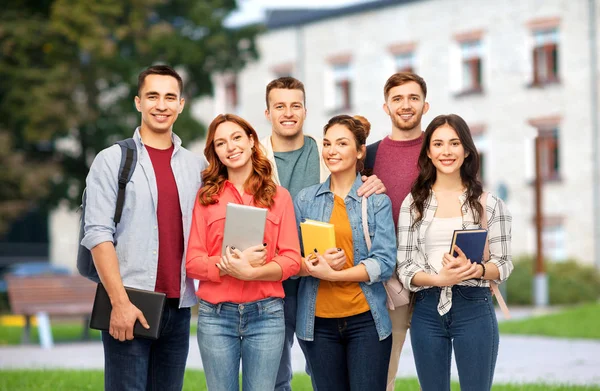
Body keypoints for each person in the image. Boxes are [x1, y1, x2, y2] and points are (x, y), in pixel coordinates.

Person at [81, 65, 206, 391]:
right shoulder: (111, 160)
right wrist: (120, 303)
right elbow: (97, 233)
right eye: (153, 96)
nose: (161, 105)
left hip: (178, 309)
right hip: (129, 302)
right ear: (138, 102)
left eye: (169, 97)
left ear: (181, 104)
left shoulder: (197, 167)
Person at [261, 76, 386, 391]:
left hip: (312, 288)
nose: (288, 113)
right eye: (280, 106)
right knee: (273, 379)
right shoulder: (253, 158)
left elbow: (350, 173)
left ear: (305, 111)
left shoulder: (324, 152)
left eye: (295, 106)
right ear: (268, 113)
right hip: (269, 281)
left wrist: (375, 181)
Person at [396, 114, 513, 391]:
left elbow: (504, 263)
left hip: (474, 306)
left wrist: (478, 270)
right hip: (426, 309)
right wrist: (438, 280)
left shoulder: (489, 204)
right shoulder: (413, 204)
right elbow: (405, 267)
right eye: (438, 144)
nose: (446, 151)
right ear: (428, 151)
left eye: (454, 143)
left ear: (467, 150)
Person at [186, 114, 301, 391]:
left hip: (266, 316)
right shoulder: (206, 198)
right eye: (221, 143)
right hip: (216, 317)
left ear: (251, 141)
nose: (231, 147)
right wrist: (228, 265)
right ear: (215, 152)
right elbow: (193, 263)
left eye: (237, 137)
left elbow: (291, 259)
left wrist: (255, 271)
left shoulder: (279, 196)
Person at [293, 115, 397, 390]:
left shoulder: (376, 201)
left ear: (360, 150)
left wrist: (335, 275)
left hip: (366, 321)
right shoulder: (305, 200)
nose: (332, 150)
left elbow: (385, 262)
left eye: (342, 143)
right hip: (318, 325)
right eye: (327, 143)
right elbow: (291, 259)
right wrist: (315, 263)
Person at [364, 72, 430, 391]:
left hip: (435, 274)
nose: (406, 105)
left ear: (425, 105)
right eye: (398, 99)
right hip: (390, 279)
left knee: (436, 370)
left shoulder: (440, 150)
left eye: (413, 98)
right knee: (382, 373)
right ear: (386, 107)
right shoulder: (370, 156)